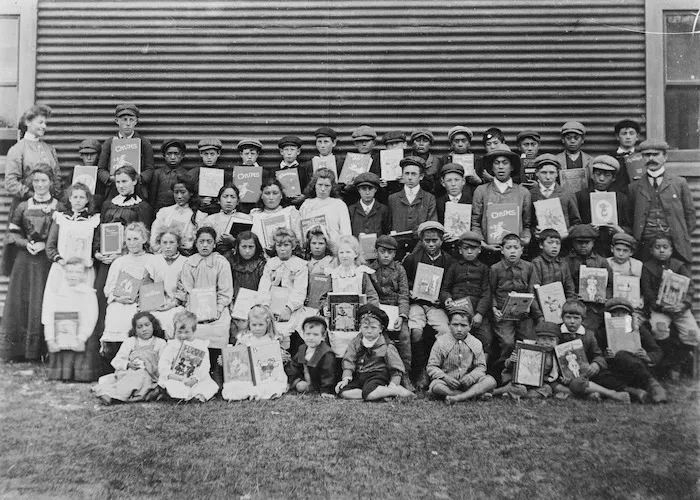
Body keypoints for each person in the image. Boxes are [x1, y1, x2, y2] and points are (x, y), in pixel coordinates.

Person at [0, 164, 59, 361]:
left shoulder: (58, 206)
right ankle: (19, 351)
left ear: (51, 183)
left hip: (47, 261)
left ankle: (42, 349)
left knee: (43, 300)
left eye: (43, 181)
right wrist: (27, 244)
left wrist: (45, 244)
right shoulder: (23, 206)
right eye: (36, 181)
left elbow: (63, 233)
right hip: (25, 260)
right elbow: (12, 234)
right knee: (23, 301)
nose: (40, 185)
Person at [3, 105, 62, 275]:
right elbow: (10, 182)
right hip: (26, 209)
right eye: (40, 122)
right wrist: (33, 195)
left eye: (46, 123)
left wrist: (53, 199)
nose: (44, 126)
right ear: (28, 122)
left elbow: (56, 177)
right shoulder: (18, 149)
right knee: (27, 257)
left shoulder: (49, 149)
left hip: (50, 208)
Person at [175, 226, 234, 387]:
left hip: (217, 310)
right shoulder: (190, 263)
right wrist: (195, 308)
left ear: (214, 244)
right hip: (195, 308)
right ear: (196, 243)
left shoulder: (221, 262)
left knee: (220, 329)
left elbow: (225, 291)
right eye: (201, 241)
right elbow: (187, 289)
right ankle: (195, 373)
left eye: (209, 242)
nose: (205, 245)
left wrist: (218, 309)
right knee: (193, 329)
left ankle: (216, 371)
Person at [402, 221, 453, 387]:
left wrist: (442, 299)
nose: (431, 244)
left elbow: (448, 285)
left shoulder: (448, 260)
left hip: (435, 305)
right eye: (427, 241)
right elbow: (405, 281)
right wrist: (410, 291)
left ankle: (438, 369)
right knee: (415, 331)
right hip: (416, 304)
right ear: (421, 241)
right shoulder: (412, 259)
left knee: (445, 330)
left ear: (441, 241)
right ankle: (420, 370)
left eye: (435, 240)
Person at [640, 233, 699, 378]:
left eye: (665, 247)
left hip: (679, 309)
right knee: (659, 328)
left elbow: (690, 288)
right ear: (651, 250)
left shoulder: (679, 266)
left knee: (693, 334)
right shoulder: (647, 268)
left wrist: (683, 305)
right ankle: (665, 364)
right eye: (657, 247)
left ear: (671, 250)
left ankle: (678, 361)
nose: (661, 250)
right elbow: (647, 292)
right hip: (661, 309)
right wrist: (661, 307)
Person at [628, 139, 695, 263]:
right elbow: (629, 218)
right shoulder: (634, 187)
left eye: (656, 154)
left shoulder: (679, 183)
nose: (651, 158)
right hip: (644, 244)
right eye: (647, 155)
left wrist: (681, 236)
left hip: (674, 243)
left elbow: (690, 215)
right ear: (642, 158)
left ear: (665, 157)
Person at [100, 222, 157, 369]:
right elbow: (108, 288)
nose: (132, 243)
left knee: (138, 315)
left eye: (136, 239)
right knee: (116, 312)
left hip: (143, 303)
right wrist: (118, 298)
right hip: (122, 300)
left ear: (144, 239)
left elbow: (156, 286)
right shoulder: (119, 261)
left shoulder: (152, 260)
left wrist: (143, 300)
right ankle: (116, 365)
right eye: (129, 239)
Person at [335, 304, 414, 400]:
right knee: (342, 391)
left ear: (380, 329)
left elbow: (396, 368)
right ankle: (377, 394)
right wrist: (346, 378)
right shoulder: (356, 342)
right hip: (360, 375)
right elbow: (349, 360)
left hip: (377, 375)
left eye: (373, 328)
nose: (369, 331)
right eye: (365, 327)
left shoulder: (387, 346)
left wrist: (393, 384)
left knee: (370, 391)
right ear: (360, 327)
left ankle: (395, 391)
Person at [595, 298, 667, 404]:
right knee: (598, 377)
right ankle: (636, 392)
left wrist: (647, 356)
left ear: (629, 316)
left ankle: (654, 386)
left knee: (622, 355)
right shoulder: (601, 333)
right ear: (609, 316)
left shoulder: (638, 330)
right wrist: (606, 357)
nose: (619, 317)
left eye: (623, 313)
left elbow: (657, 351)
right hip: (615, 372)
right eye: (615, 313)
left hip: (637, 371)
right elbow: (596, 355)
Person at [490, 233, 542, 377]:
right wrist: (494, 309)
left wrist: (537, 315)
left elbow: (532, 291)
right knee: (507, 343)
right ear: (502, 250)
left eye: (515, 247)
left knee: (529, 341)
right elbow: (491, 291)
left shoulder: (529, 267)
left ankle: (525, 375)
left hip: (524, 314)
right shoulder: (495, 269)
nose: (512, 251)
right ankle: (503, 374)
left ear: (521, 250)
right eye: (508, 248)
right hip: (503, 314)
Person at [558, 299, 630, 403]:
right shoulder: (557, 333)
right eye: (568, 317)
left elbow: (598, 354)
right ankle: (607, 394)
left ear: (583, 320)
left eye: (576, 318)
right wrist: (563, 375)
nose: (572, 321)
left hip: (586, 373)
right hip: (565, 377)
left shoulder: (589, 335)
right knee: (571, 384)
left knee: (605, 378)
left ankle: (591, 392)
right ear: (562, 318)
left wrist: (596, 364)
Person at [471, 144, 531, 265]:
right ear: (491, 167)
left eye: (505, 163)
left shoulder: (523, 192)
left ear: (512, 167)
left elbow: (527, 224)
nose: (501, 167)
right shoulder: (481, 191)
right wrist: (483, 244)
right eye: (497, 163)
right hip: (488, 254)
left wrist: (525, 239)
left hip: (514, 254)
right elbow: (475, 222)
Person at [41, 258, 99, 381]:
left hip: (81, 336)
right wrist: (50, 339)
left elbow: (90, 318)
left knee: (82, 348)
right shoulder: (58, 292)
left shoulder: (88, 293)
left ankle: (80, 374)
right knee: (60, 344)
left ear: (84, 275)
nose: (73, 275)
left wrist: (82, 337)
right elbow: (50, 316)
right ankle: (61, 373)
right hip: (61, 336)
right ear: (64, 273)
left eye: (78, 272)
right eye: (70, 272)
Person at [92, 312, 167, 405]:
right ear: (135, 330)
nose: (144, 329)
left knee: (142, 378)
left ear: (153, 326)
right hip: (129, 373)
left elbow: (164, 364)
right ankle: (112, 395)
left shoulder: (160, 343)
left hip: (150, 375)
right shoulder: (130, 342)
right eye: (139, 327)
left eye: (147, 325)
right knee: (131, 379)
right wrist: (128, 364)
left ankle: (113, 395)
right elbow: (117, 361)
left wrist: (151, 367)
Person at [440, 231, 492, 361]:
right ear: (460, 250)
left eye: (473, 248)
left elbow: (486, 293)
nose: (469, 251)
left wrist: (479, 313)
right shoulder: (454, 266)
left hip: (476, 312)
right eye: (466, 248)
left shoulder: (484, 268)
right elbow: (445, 289)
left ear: (479, 250)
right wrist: (447, 299)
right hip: (457, 311)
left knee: (486, 338)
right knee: (453, 336)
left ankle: (481, 368)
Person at [427, 307, 496, 403]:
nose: (459, 329)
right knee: (436, 387)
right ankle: (472, 395)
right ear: (448, 325)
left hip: (469, 383)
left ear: (470, 326)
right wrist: (445, 377)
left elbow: (481, 367)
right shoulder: (441, 342)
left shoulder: (476, 343)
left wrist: (471, 377)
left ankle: (459, 397)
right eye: (455, 325)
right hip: (448, 383)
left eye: (463, 325)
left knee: (490, 381)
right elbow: (432, 366)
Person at [369, 235, 412, 389]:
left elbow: (403, 295)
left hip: (396, 310)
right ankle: (382, 373)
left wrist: (402, 315)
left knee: (404, 335)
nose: (386, 255)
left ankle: (405, 374)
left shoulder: (400, 270)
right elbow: (370, 294)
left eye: (390, 252)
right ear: (376, 252)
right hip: (377, 310)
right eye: (382, 251)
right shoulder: (370, 270)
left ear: (395, 254)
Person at [221, 305, 288, 401]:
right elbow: (236, 357)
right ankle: (248, 392)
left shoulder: (272, 339)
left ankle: (262, 392)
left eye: (261, 325)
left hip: (266, 374)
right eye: (254, 325)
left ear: (268, 324)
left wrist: (281, 357)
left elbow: (277, 360)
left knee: (272, 385)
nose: (257, 328)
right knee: (234, 386)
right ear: (249, 324)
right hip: (248, 375)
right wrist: (226, 360)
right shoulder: (245, 338)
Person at [257, 228, 308, 349]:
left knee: (286, 331)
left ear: (293, 246)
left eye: (286, 245)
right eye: (279, 245)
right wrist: (265, 306)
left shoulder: (300, 265)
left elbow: (299, 291)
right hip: (270, 306)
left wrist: (289, 308)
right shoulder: (270, 264)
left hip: (291, 307)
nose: (282, 249)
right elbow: (264, 287)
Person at [574, 155, 632, 257]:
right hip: (587, 250)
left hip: (613, 249)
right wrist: (587, 228)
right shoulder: (581, 196)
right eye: (598, 174)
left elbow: (629, 225)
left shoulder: (621, 199)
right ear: (592, 175)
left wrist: (619, 230)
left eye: (607, 175)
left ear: (614, 178)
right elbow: (574, 223)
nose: (601, 179)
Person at [45, 182, 100, 289]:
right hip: (62, 268)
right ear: (70, 199)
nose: (78, 200)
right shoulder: (61, 218)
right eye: (75, 197)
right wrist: (60, 260)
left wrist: (95, 256)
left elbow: (95, 245)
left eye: (82, 197)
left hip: (84, 270)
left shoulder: (93, 220)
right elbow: (50, 246)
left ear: (87, 199)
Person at [96, 103, 155, 202]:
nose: (128, 123)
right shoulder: (110, 143)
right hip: (114, 190)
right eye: (124, 120)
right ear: (117, 121)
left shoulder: (143, 142)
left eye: (131, 120)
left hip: (137, 190)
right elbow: (101, 169)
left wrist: (136, 179)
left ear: (136, 121)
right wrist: (112, 179)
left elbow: (150, 169)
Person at [158, 310, 219, 402]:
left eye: (187, 332)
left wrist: (195, 379)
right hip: (176, 377)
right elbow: (163, 364)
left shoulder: (200, 345)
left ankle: (197, 396)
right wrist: (173, 376)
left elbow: (205, 366)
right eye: (179, 332)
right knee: (172, 385)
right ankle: (175, 395)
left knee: (209, 386)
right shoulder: (172, 345)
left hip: (195, 378)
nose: (183, 336)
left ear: (194, 330)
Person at [494, 322, 566, 399]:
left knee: (547, 389)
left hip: (537, 383)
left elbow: (558, 371)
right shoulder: (525, 348)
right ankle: (496, 392)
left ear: (557, 342)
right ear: (537, 339)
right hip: (519, 381)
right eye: (543, 339)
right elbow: (508, 365)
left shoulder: (556, 355)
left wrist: (564, 377)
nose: (547, 343)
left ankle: (517, 394)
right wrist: (512, 361)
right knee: (521, 388)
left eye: (551, 340)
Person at [529, 153, 581, 257]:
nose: (548, 177)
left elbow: (576, 222)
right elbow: (528, 222)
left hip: (562, 248)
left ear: (557, 174)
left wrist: (566, 234)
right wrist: (534, 231)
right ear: (537, 173)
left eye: (551, 173)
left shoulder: (567, 194)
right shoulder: (531, 194)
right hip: (539, 249)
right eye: (544, 173)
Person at [564, 224, 613, 332]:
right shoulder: (566, 262)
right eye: (579, 242)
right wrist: (572, 296)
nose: (583, 246)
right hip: (573, 304)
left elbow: (610, 284)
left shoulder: (601, 261)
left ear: (593, 243)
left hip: (595, 306)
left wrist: (605, 297)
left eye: (587, 242)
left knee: (589, 328)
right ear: (573, 243)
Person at [387, 156, 437, 259]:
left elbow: (431, 228)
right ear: (402, 175)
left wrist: (415, 253)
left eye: (414, 174)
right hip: (397, 252)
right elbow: (388, 226)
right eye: (407, 173)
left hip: (422, 251)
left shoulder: (429, 198)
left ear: (421, 176)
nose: (410, 177)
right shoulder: (393, 199)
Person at [145, 229, 187, 340]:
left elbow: (185, 288)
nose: (168, 246)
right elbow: (146, 284)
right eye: (164, 243)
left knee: (172, 320)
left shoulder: (185, 262)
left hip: (176, 304)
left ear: (178, 243)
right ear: (160, 244)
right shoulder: (153, 260)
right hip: (155, 303)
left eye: (172, 242)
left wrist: (174, 303)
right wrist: (154, 302)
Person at [150, 176, 204, 255]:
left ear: (191, 193)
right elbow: (155, 234)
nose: (179, 196)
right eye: (176, 192)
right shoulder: (164, 212)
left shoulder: (199, 216)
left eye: (183, 192)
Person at [299, 167, 351, 247]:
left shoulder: (339, 205)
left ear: (332, 187)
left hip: (334, 250)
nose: (323, 189)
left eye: (327, 185)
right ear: (314, 185)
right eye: (320, 185)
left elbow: (346, 233)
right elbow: (301, 233)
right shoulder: (306, 205)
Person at [285, 315, 337, 396]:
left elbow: (328, 374)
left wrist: (326, 390)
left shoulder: (326, 353)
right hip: (305, 378)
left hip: (318, 382)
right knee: (299, 385)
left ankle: (317, 389)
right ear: (303, 334)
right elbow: (294, 366)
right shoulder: (302, 348)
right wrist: (290, 381)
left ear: (323, 336)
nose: (311, 338)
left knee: (301, 387)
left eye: (315, 335)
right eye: (308, 334)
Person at [250, 177, 303, 254]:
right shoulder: (254, 214)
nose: (271, 197)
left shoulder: (290, 212)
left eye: (275, 193)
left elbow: (299, 238)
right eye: (267, 193)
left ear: (281, 195)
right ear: (261, 196)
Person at [202, 184, 253, 262]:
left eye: (233, 197)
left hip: (240, 258)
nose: (229, 200)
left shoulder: (245, 218)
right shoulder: (210, 219)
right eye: (225, 196)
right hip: (214, 257)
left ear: (238, 201)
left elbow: (251, 241)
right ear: (219, 200)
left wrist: (234, 241)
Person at [531, 229, 577, 300]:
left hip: (561, 304)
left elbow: (570, 288)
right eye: (550, 243)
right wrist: (537, 311)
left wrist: (568, 305)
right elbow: (533, 290)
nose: (555, 246)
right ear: (541, 245)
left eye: (558, 243)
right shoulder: (537, 263)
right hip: (542, 303)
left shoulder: (563, 263)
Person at [185, 137, 226, 215]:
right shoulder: (193, 174)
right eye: (206, 154)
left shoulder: (224, 174)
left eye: (212, 154)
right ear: (201, 154)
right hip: (197, 212)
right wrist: (199, 200)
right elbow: (185, 195)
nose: (209, 157)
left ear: (218, 154)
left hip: (218, 213)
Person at [606, 232, 644, 313]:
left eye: (625, 251)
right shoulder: (607, 263)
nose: (621, 254)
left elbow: (641, 286)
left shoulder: (637, 265)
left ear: (631, 252)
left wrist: (640, 299)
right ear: (612, 249)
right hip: (611, 300)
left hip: (631, 300)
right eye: (618, 249)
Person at [149, 138, 189, 213]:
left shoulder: (186, 174)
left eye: (176, 154)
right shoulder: (157, 173)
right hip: (160, 211)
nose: (173, 157)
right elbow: (152, 197)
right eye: (169, 154)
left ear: (182, 155)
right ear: (164, 155)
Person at [347, 172, 391, 238]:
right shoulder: (351, 210)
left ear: (375, 189)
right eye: (364, 189)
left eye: (370, 189)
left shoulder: (383, 210)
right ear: (359, 190)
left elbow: (386, 232)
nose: (367, 193)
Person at [270, 135, 309, 207]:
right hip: (280, 206)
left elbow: (308, 187)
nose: (289, 153)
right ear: (281, 152)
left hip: (299, 206)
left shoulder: (304, 170)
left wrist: (304, 196)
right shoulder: (274, 171)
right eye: (286, 150)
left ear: (298, 151)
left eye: (292, 149)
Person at [609, 119, 641, 193]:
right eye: (624, 133)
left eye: (631, 133)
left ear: (637, 136)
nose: (628, 137)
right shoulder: (610, 157)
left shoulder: (642, 157)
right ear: (617, 136)